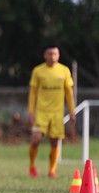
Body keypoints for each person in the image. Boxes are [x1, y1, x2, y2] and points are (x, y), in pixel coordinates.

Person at [27, 43, 76, 178]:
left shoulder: (64, 70)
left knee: (55, 141)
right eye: (50, 54)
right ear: (45, 55)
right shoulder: (38, 71)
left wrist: (72, 111)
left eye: (55, 54)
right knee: (36, 139)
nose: (53, 57)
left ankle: (52, 170)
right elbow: (32, 92)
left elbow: (69, 93)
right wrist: (30, 112)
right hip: (41, 112)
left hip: (57, 113)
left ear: (59, 55)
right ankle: (32, 166)